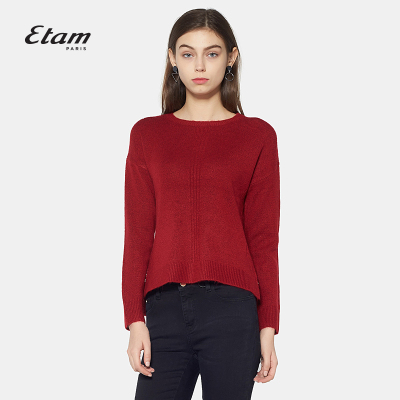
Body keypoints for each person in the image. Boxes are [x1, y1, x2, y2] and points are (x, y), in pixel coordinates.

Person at [122, 8, 281, 400]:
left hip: (233, 310)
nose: (199, 65)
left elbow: (263, 239)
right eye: (187, 53)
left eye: (212, 53)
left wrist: (268, 326)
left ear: (231, 57)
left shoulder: (257, 136)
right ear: (173, 58)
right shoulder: (147, 135)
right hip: (164, 309)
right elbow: (138, 234)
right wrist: (134, 319)